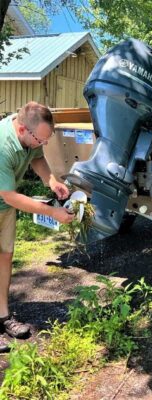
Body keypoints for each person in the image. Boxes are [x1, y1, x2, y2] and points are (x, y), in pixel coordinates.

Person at [0, 102, 75, 352]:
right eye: (39, 139)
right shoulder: (2, 145)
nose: (42, 144)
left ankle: (3, 317)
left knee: (4, 258)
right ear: (22, 130)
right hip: (6, 199)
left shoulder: (28, 134)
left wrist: (52, 181)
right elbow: (10, 195)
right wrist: (52, 211)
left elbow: (38, 158)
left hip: (3, 207)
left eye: (46, 139)